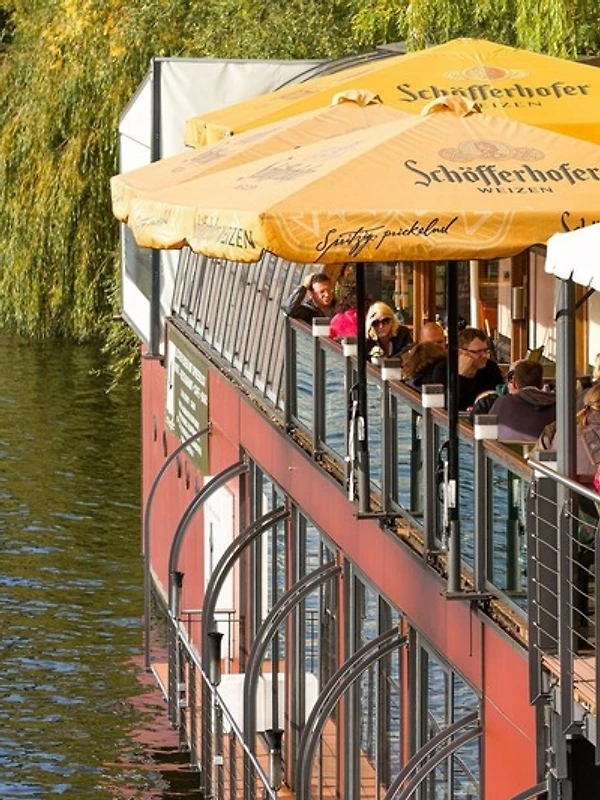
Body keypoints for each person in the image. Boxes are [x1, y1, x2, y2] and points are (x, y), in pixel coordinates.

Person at [489, 359, 556, 441]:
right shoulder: (557, 406)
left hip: (505, 449)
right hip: (544, 448)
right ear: (542, 383)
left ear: (515, 384)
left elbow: (488, 435)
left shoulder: (502, 403)